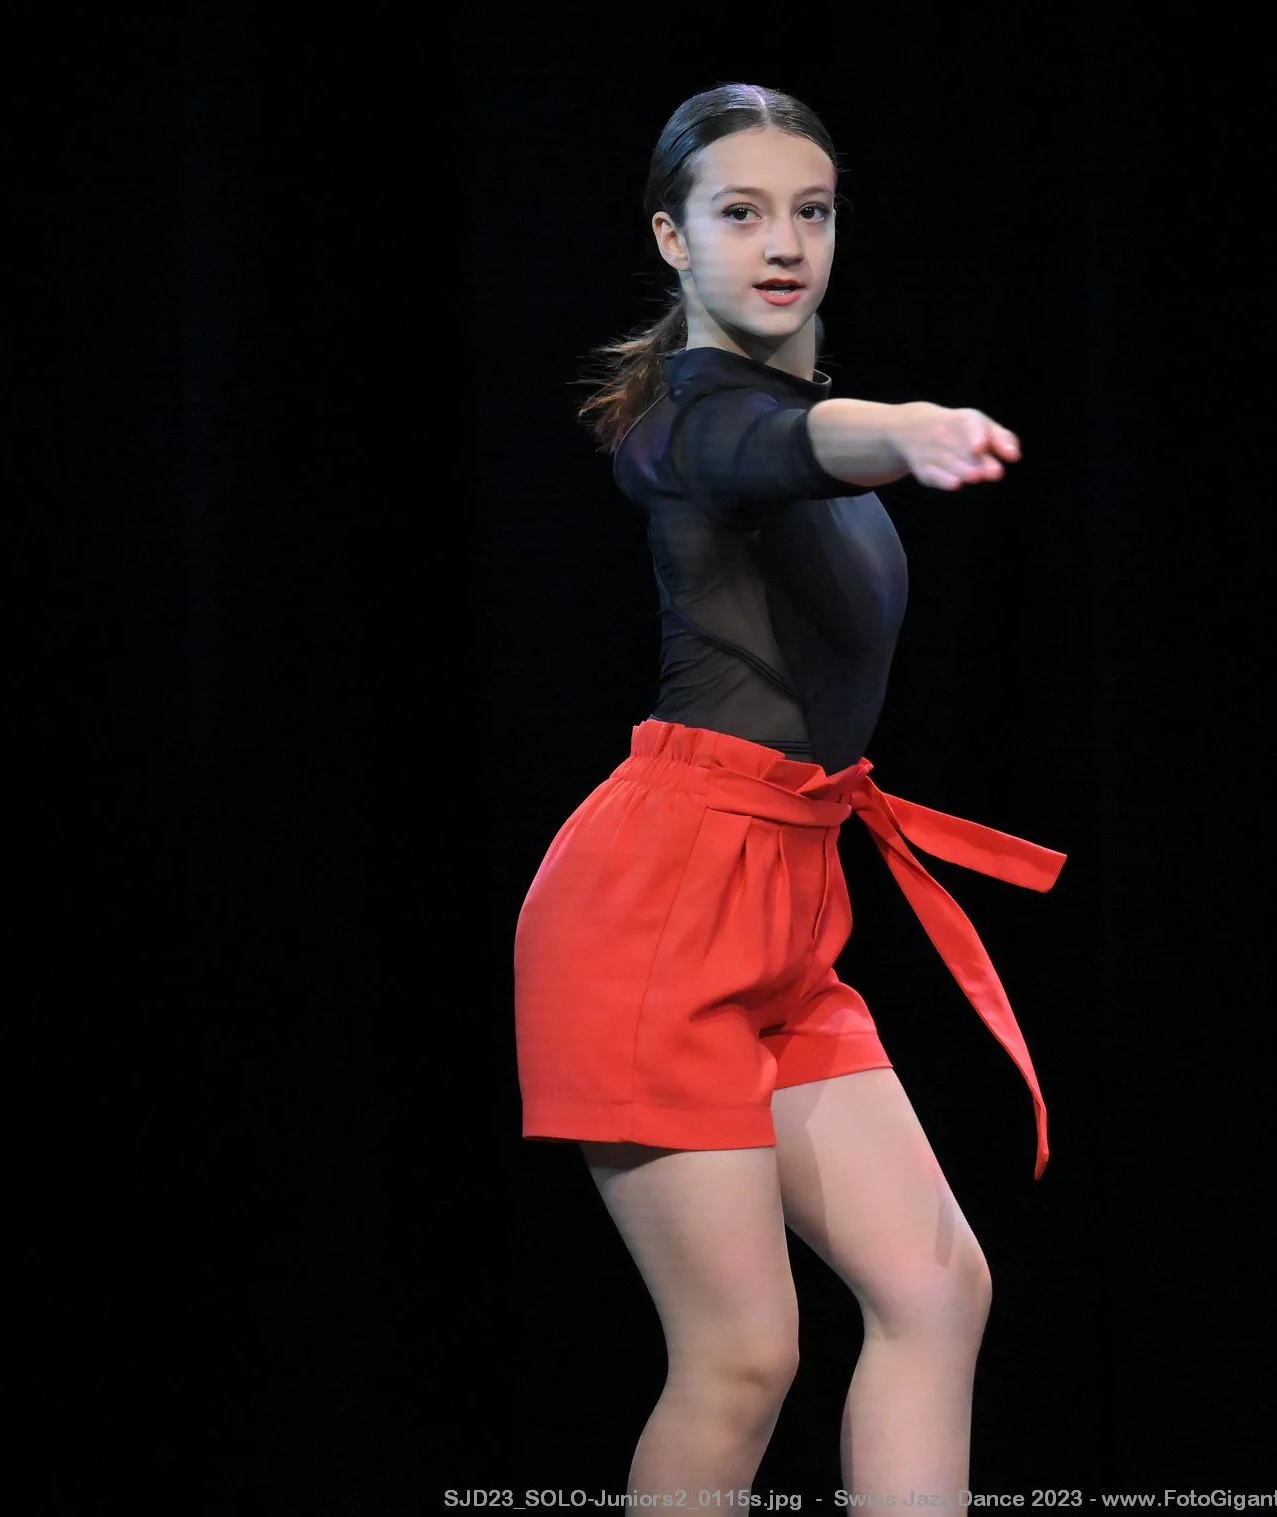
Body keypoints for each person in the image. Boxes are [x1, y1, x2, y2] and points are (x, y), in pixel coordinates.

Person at [512, 82, 1066, 1502]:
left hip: (786, 892)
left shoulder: (793, 413)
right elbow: (769, 448)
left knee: (937, 1289)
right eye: (741, 212)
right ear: (671, 236)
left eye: (810, 212)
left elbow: (803, 432)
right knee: (743, 1358)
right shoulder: (689, 423)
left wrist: (870, 428)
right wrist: (904, 427)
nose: (782, 243)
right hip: (656, 908)